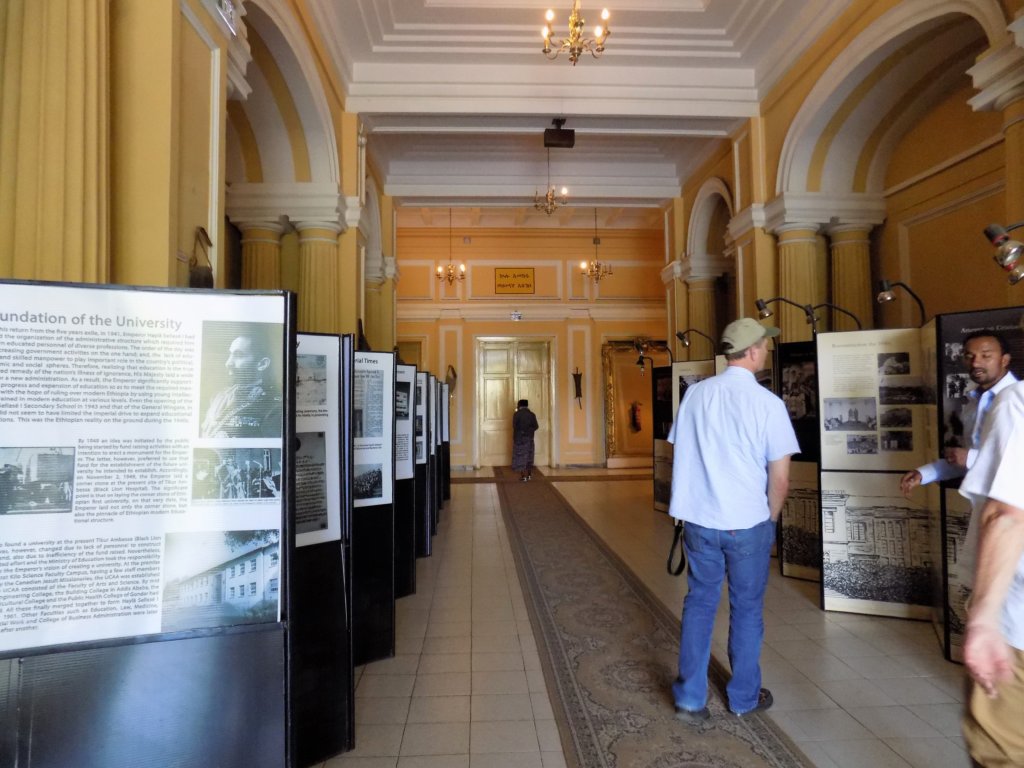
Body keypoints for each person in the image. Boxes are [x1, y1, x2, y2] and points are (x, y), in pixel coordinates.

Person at [666, 317, 799, 723]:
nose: (768, 351)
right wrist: (770, 520)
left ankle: (690, 698)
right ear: (755, 351)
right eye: (766, 345)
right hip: (747, 523)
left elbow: (680, 451)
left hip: (701, 522)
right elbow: (780, 477)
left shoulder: (696, 395)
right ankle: (742, 697)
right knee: (746, 610)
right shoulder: (768, 405)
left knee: (700, 603)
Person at [958, 379, 1024, 765]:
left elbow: (1008, 517)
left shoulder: (1017, 402)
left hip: (1017, 629)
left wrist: (982, 620)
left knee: (1003, 753)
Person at [900, 330, 1015, 498]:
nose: (976, 363)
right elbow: (966, 459)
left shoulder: (1019, 398)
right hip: (983, 504)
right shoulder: (973, 402)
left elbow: (1017, 461)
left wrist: (970, 458)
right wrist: (924, 474)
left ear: (1004, 360)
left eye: (986, 355)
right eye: (969, 356)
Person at [201, 332, 283, 438]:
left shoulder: (273, 404)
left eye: (238, 355)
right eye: (230, 355)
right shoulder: (218, 397)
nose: (228, 363)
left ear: (262, 364)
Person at [511, 399, 539, 481]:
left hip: (519, 438)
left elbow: (514, 426)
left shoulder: (516, 414)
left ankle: (523, 476)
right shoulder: (532, 414)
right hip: (529, 438)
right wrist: (529, 431)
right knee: (529, 456)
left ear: (519, 405)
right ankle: (529, 475)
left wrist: (522, 431)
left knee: (520, 456)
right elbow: (536, 426)